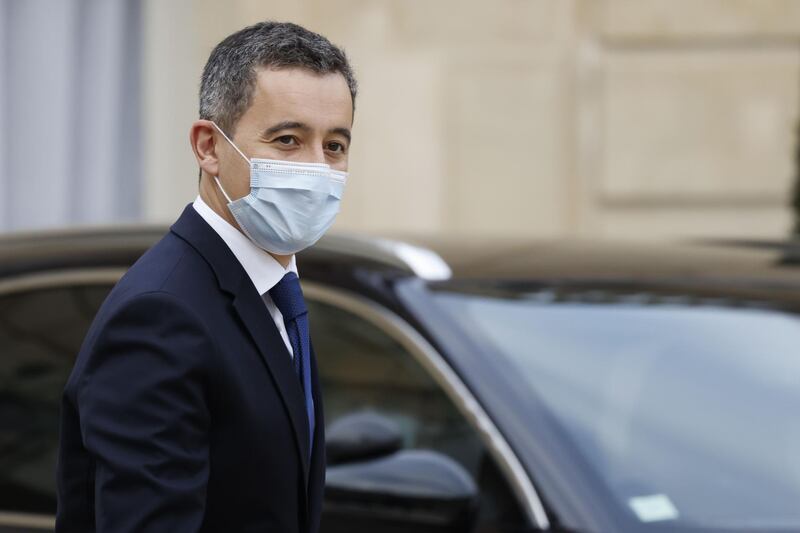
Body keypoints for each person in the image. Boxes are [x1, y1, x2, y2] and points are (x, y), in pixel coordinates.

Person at [55, 21, 356, 533]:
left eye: (334, 146)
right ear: (208, 147)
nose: (317, 169)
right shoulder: (159, 315)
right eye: (287, 139)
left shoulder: (273, 294)